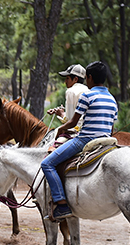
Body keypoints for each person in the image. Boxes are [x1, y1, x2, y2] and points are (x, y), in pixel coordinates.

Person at [41, 61, 118, 220]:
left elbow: (73, 123)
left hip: (85, 140)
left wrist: (61, 129)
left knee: (47, 164)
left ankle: (61, 204)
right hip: (107, 141)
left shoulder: (87, 95)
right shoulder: (112, 99)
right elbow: (111, 128)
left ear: (89, 78)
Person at [47, 64, 88, 130]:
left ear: (75, 79)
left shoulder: (71, 91)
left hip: (78, 131)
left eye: (67, 78)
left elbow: (70, 120)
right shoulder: (88, 90)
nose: (65, 81)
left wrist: (61, 114)